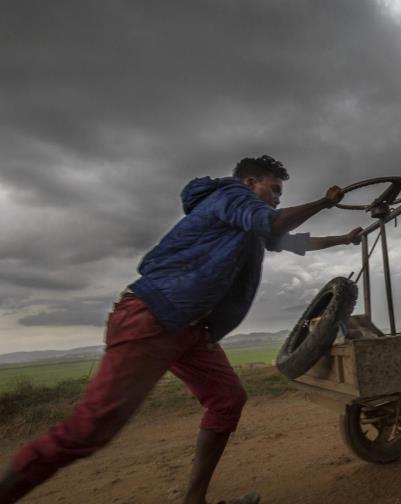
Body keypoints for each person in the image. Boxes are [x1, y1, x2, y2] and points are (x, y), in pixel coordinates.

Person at [0, 155, 363, 504]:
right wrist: (324, 201)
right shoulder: (231, 195)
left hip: (191, 329)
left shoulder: (248, 222)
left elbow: (291, 240)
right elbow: (273, 223)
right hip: (153, 314)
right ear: (251, 183)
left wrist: (344, 239)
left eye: (280, 195)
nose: (277, 199)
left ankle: (194, 499)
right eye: (273, 190)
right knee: (90, 430)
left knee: (227, 399)